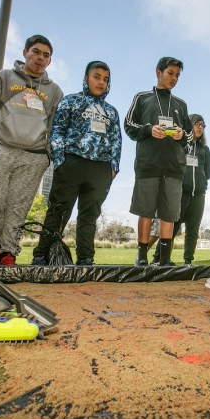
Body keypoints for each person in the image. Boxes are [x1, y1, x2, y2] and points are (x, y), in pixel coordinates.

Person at [0, 35, 63, 266]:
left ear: (49, 61)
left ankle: (8, 252)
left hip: (34, 155)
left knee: (19, 205)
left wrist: (47, 154)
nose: (40, 58)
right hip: (1, 148)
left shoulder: (54, 91)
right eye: (36, 52)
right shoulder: (4, 77)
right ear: (25, 52)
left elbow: (56, 125)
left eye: (46, 55)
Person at [31, 61, 121, 266]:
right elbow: (57, 132)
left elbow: (117, 140)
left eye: (105, 79)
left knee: (90, 215)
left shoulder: (112, 112)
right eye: (96, 76)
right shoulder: (70, 101)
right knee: (58, 211)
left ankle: (85, 258)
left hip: (100, 168)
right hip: (72, 163)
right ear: (86, 78)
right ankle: (41, 255)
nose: (101, 82)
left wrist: (113, 167)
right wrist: (61, 160)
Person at [124, 57, 192, 267]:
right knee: (145, 211)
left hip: (173, 167)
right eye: (170, 73)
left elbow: (189, 135)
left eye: (177, 75)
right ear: (158, 72)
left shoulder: (181, 104)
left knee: (169, 213)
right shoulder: (142, 98)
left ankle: (164, 259)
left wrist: (182, 134)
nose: (174, 78)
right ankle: (142, 257)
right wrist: (148, 129)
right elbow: (128, 125)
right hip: (148, 165)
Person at [152, 114, 210, 266]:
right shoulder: (180, 145)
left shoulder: (205, 150)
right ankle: (158, 258)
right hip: (180, 192)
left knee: (193, 229)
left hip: (198, 195)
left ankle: (188, 262)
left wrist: (201, 185)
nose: (200, 127)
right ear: (189, 125)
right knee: (172, 227)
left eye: (203, 125)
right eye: (197, 124)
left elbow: (207, 172)